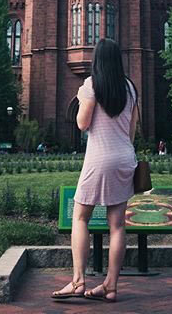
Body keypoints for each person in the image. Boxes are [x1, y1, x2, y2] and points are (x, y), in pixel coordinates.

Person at [52, 38, 138, 303]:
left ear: (97, 61)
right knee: (117, 224)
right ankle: (110, 287)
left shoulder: (91, 85)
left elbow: (81, 124)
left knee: (80, 216)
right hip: (125, 157)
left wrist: (80, 98)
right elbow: (133, 130)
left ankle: (78, 281)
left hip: (99, 157)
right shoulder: (130, 88)